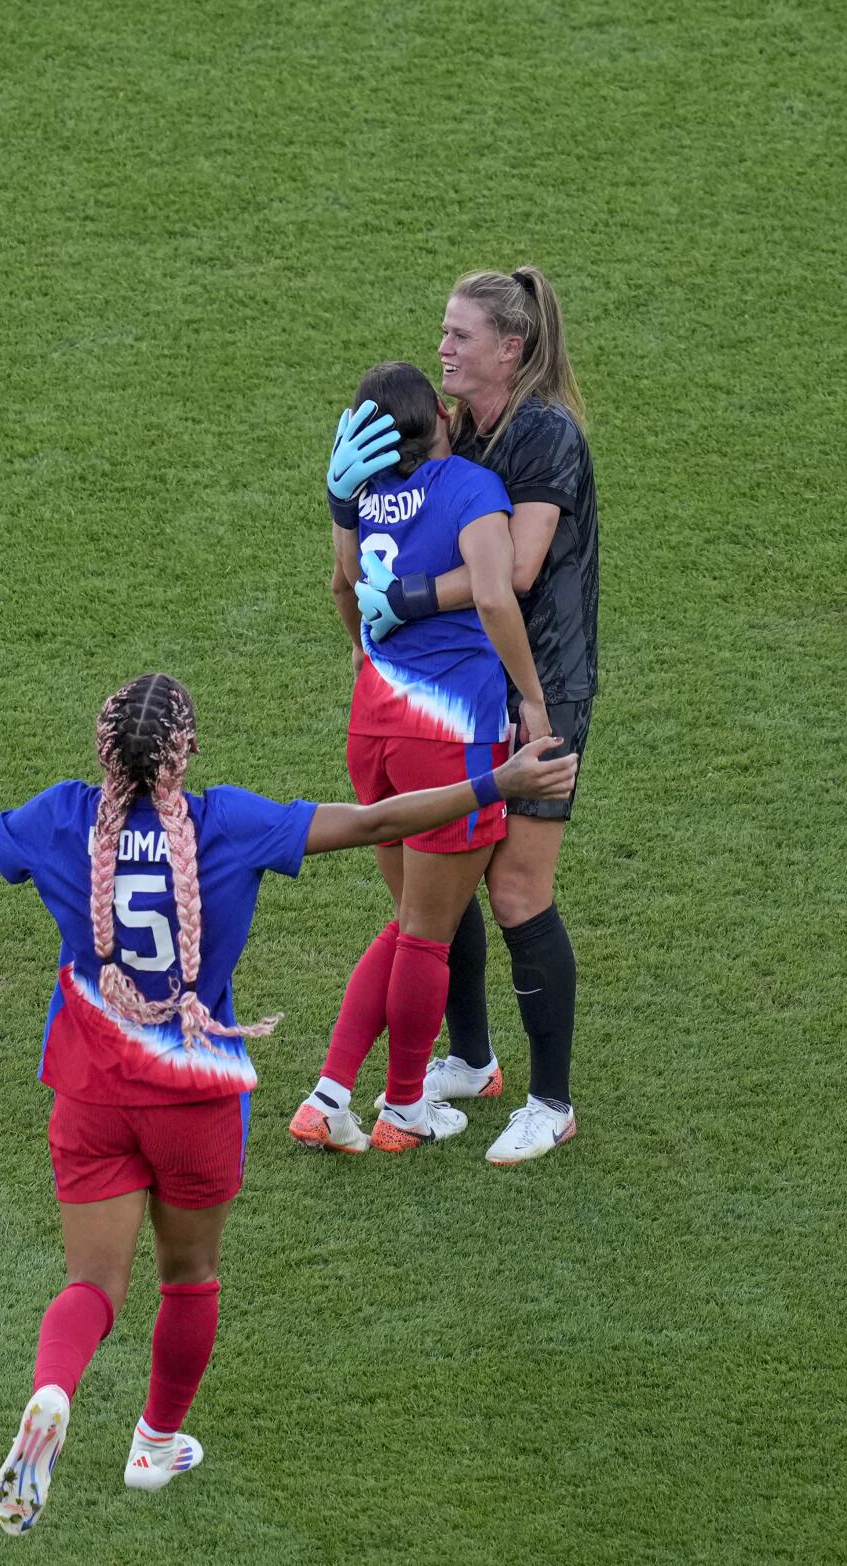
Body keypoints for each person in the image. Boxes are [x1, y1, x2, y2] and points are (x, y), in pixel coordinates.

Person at [0, 673, 575, 1534]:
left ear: (103, 753)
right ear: (187, 753)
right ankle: (155, 1443)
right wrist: (496, 784)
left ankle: (55, 1392)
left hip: (94, 1098)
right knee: (189, 1278)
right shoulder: (232, 825)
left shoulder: (60, 821)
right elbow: (375, 822)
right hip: (197, 1102)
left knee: (93, 1286)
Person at [328, 265, 600, 1166]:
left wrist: (401, 597)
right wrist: (345, 511)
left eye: (460, 335)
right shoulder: (463, 436)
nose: (441, 346)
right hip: (479, 691)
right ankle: (473, 1059)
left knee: (519, 889)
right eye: (442, 333)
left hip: (543, 684)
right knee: (455, 867)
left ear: (510, 349)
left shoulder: (545, 435)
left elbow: (514, 573)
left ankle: (551, 1101)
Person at [291, 361, 553, 1157]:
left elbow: (343, 589)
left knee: (413, 922)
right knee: (424, 936)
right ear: (440, 415)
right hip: (450, 736)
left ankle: (338, 1096)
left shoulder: (364, 503)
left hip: (372, 728)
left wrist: (376, 663)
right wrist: (533, 700)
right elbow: (496, 593)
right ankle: (398, 1106)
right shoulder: (471, 487)